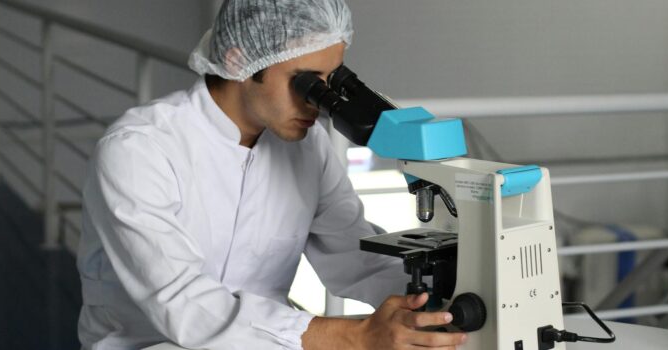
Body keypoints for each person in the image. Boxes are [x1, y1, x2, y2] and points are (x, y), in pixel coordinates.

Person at [77, 0, 467, 349]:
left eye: (330, 83)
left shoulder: (306, 147)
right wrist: (357, 338)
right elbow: (183, 304)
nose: (318, 104)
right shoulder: (140, 149)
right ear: (238, 61)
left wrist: (439, 303)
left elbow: (355, 257)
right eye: (306, 82)